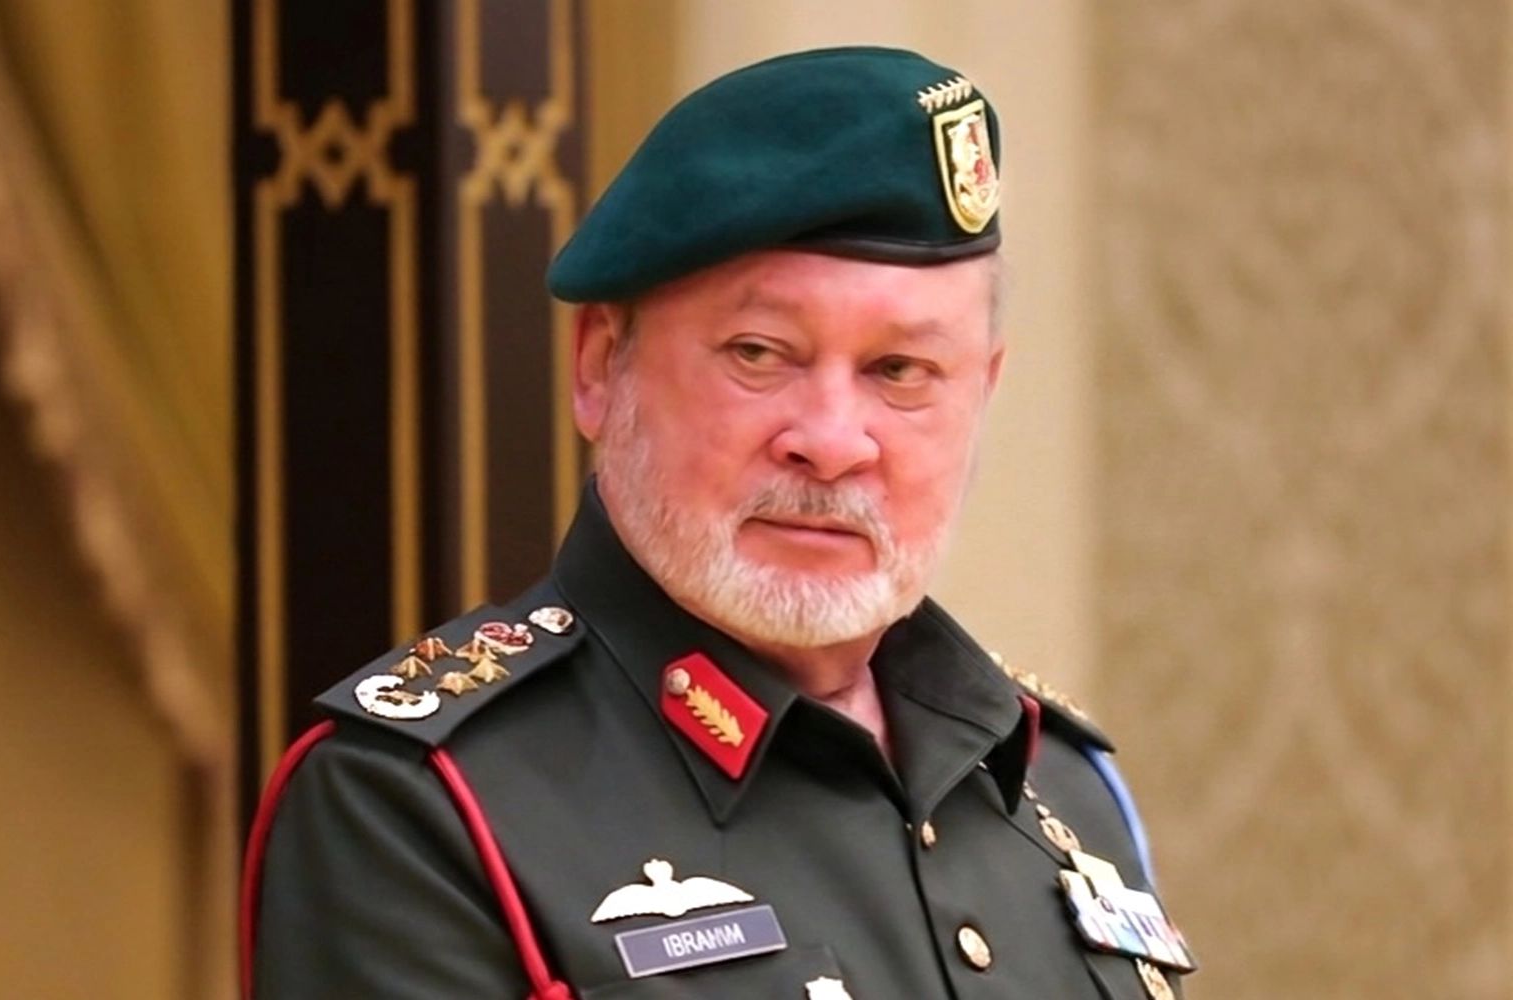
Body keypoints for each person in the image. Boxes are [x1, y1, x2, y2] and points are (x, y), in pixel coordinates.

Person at [244, 46, 1195, 1000]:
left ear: (981, 392)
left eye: (900, 371)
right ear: (600, 365)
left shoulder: (1062, 790)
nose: (831, 443)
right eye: (760, 353)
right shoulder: (424, 809)